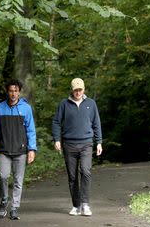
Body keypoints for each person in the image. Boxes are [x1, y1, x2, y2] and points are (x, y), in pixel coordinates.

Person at [52, 77, 103, 216]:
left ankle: (85, 204)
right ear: (72, 90)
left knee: (86, 172)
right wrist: (57, 139)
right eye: (76, 90)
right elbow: (56, 122)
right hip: (69, 144)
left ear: (84, 89)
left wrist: (99, 142)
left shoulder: (91, 104)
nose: (78, 92)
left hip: (87, 143)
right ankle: (76, 205)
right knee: (72, 176)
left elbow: (96, 123)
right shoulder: (64, 104)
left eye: (80, 89)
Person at [0, 79, 37, 220]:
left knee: (18, 181)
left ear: (19, 92)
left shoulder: (26, 108)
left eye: (16, 91)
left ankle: (15, 208)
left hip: (20, 151)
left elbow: (31, 130)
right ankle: (4, 201)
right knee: (3, 176)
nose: (13, 93)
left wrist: (32, 149)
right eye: (11, 91)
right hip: (4, 150)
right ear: (7, 91)